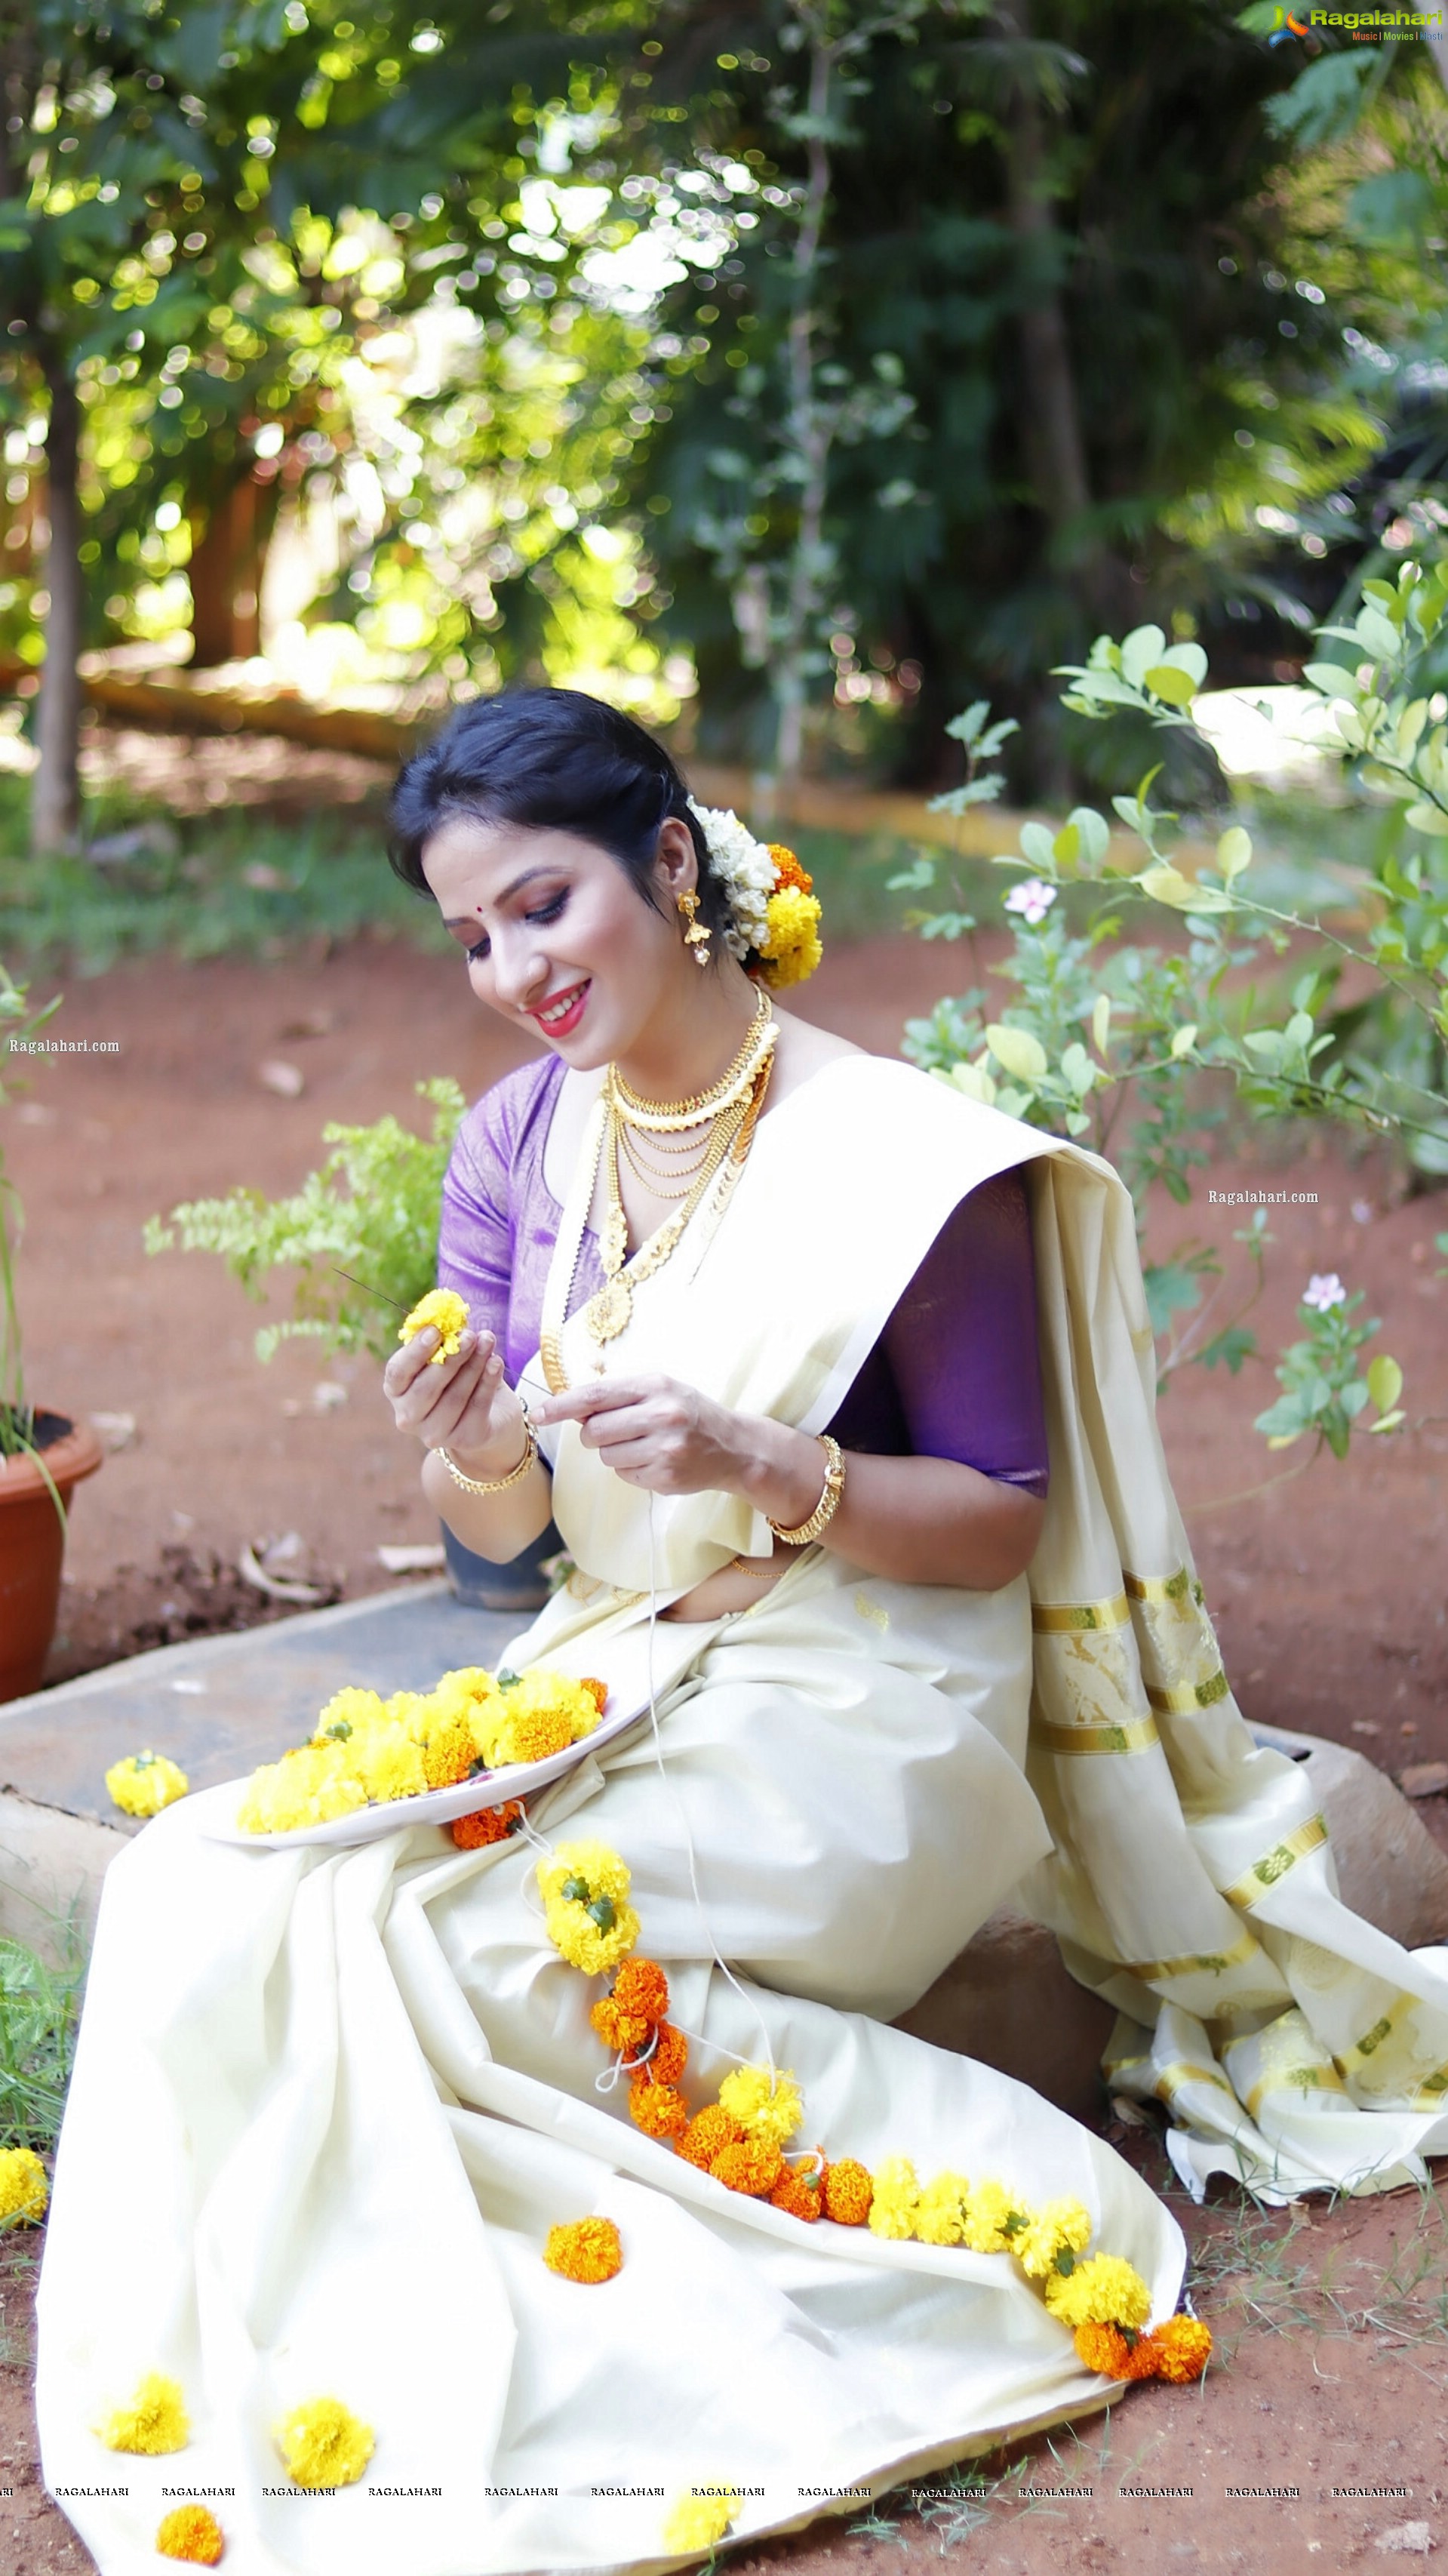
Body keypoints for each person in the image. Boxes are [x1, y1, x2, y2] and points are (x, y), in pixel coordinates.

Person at [35, 692, 1448, 2576]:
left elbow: (1000, 1528)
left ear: (670, 865)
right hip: (623, 1659)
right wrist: (470, 1460)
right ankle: (332, 2343)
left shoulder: (895, 1165)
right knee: (211, 1883)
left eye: (545, 906)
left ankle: (991, 2216)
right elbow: (513, 1537)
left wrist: (773, 1459)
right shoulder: (516, 1151)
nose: (514, 968)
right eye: (472, 936)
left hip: (875, 1698)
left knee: (491, 1947)